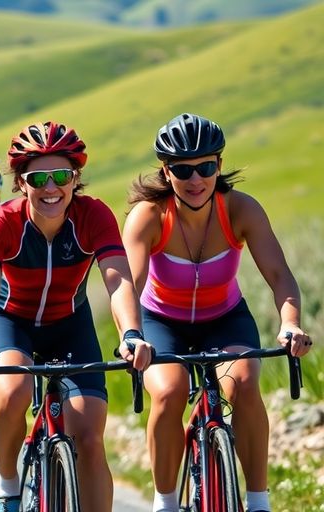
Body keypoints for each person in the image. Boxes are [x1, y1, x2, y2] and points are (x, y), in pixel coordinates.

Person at [121, 113, 313, 512]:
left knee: (243, 383)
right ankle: (165, 502)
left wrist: (291, 324)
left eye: (206, 168)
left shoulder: (241, 209)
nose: (196, 179)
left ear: (219, 166)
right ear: (166, 171)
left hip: (225, 318)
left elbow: (280, 276)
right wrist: (131, 335)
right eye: (183, 170)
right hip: (161, 322)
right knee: (169, 392)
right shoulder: (149, 215)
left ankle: (258, 501)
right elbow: (129, 286)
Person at [0, 121, 152, 512]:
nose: (51, 187)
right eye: (38, 178)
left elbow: (118, 280)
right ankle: (7, 482)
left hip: (70, 326)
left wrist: (131, 334)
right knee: (12, 392)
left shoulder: (93, 215)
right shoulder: (2, 221)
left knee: (89, 437)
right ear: (21, 182)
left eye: (61, 176)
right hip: (12, 324)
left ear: (75, 177)